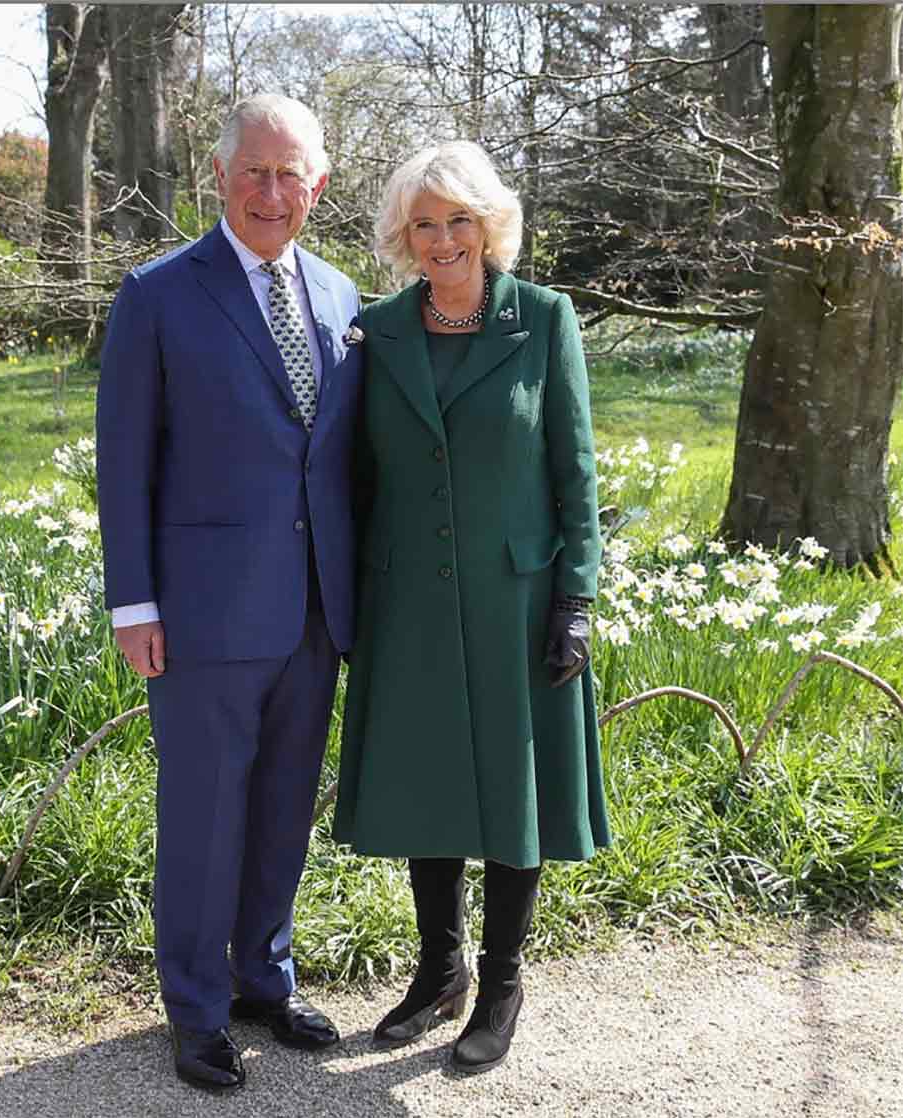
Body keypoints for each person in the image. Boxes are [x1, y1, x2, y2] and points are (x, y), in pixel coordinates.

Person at [96, 94, 362, 1093]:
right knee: (206, 813)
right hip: (202, 612)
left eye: (292, 173)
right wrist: (135, 603)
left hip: (313, 608)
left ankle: (263, 975)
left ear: (319, 186)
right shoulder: (158, 293)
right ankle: (198, 1007)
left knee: (285, 804)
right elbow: (124, 459)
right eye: (255, 170)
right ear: (219, 175)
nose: (273, 191)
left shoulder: (341, 298)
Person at [333, 140, 610, 1075]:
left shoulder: (545, 319)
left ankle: (501, 983)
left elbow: (575, 471)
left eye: (459, 219)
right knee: (432, 781)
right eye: (424, 224)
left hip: (517, 597)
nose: (443, 239)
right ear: (402, 237)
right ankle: (438, 970)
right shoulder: (377, 332)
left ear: (490, 225)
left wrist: (578, 596)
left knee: (509, 785)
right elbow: (356, 477)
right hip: (407, 592)